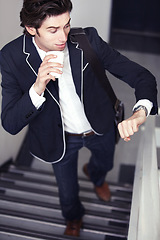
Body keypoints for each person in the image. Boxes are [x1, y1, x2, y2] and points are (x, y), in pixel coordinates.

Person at [0, 0, 158, 237]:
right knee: (67, 191)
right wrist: (37, 87)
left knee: (104, 165)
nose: (63, 36)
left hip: (100, 126)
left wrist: (140, 112)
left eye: (66, 25)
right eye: (53, 30)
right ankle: (74, 218)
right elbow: (10, 123)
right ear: (31, 28)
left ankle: (96, 176)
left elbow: (141, 76)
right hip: (58, 137)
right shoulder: (11, 56)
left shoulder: (87, 40)